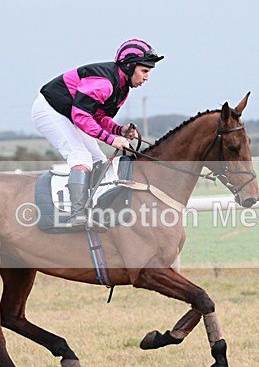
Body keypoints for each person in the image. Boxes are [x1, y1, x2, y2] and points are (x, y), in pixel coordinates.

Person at [31, 39, 163, 227]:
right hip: (50, 110)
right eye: (144, 71)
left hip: (71, 113)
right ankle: (77, 214)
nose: (146, 77)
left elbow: (98, 116)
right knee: (80, 157)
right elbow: (81, 117)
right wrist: (111, 139)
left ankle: (93, 209)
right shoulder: (105, 84)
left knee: (98, 160)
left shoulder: (122, 88)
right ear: (129, 66)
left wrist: (119, 130)